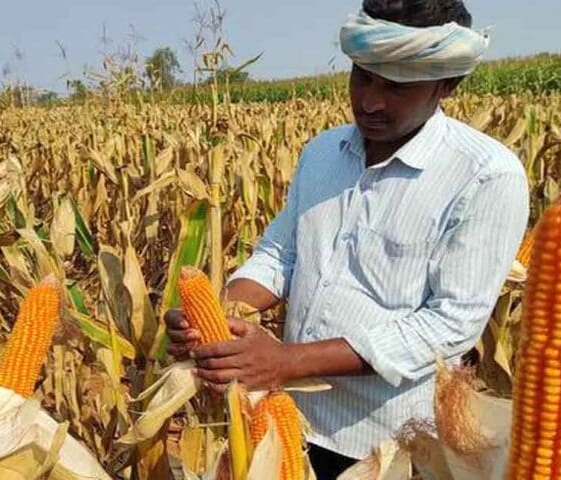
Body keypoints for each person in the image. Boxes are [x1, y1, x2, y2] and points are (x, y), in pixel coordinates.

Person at [166, 0, 530, 478]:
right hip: (287, 420)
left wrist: (286, 362)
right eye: (363, 76)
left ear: (447, 84)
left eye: (396, 86)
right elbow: (282, 255)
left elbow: (449, 325)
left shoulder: (485, 176)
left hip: (392, 443)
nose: (370, 102)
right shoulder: (322, 153)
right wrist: (213, 314)